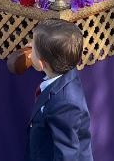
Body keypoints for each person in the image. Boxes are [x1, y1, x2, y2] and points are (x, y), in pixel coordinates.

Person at [27, 19, 93, 160]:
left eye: (32, 47)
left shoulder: (65, 104)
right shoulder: (63, 67)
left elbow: (66, 156)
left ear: (41, 63)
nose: (29, 45)